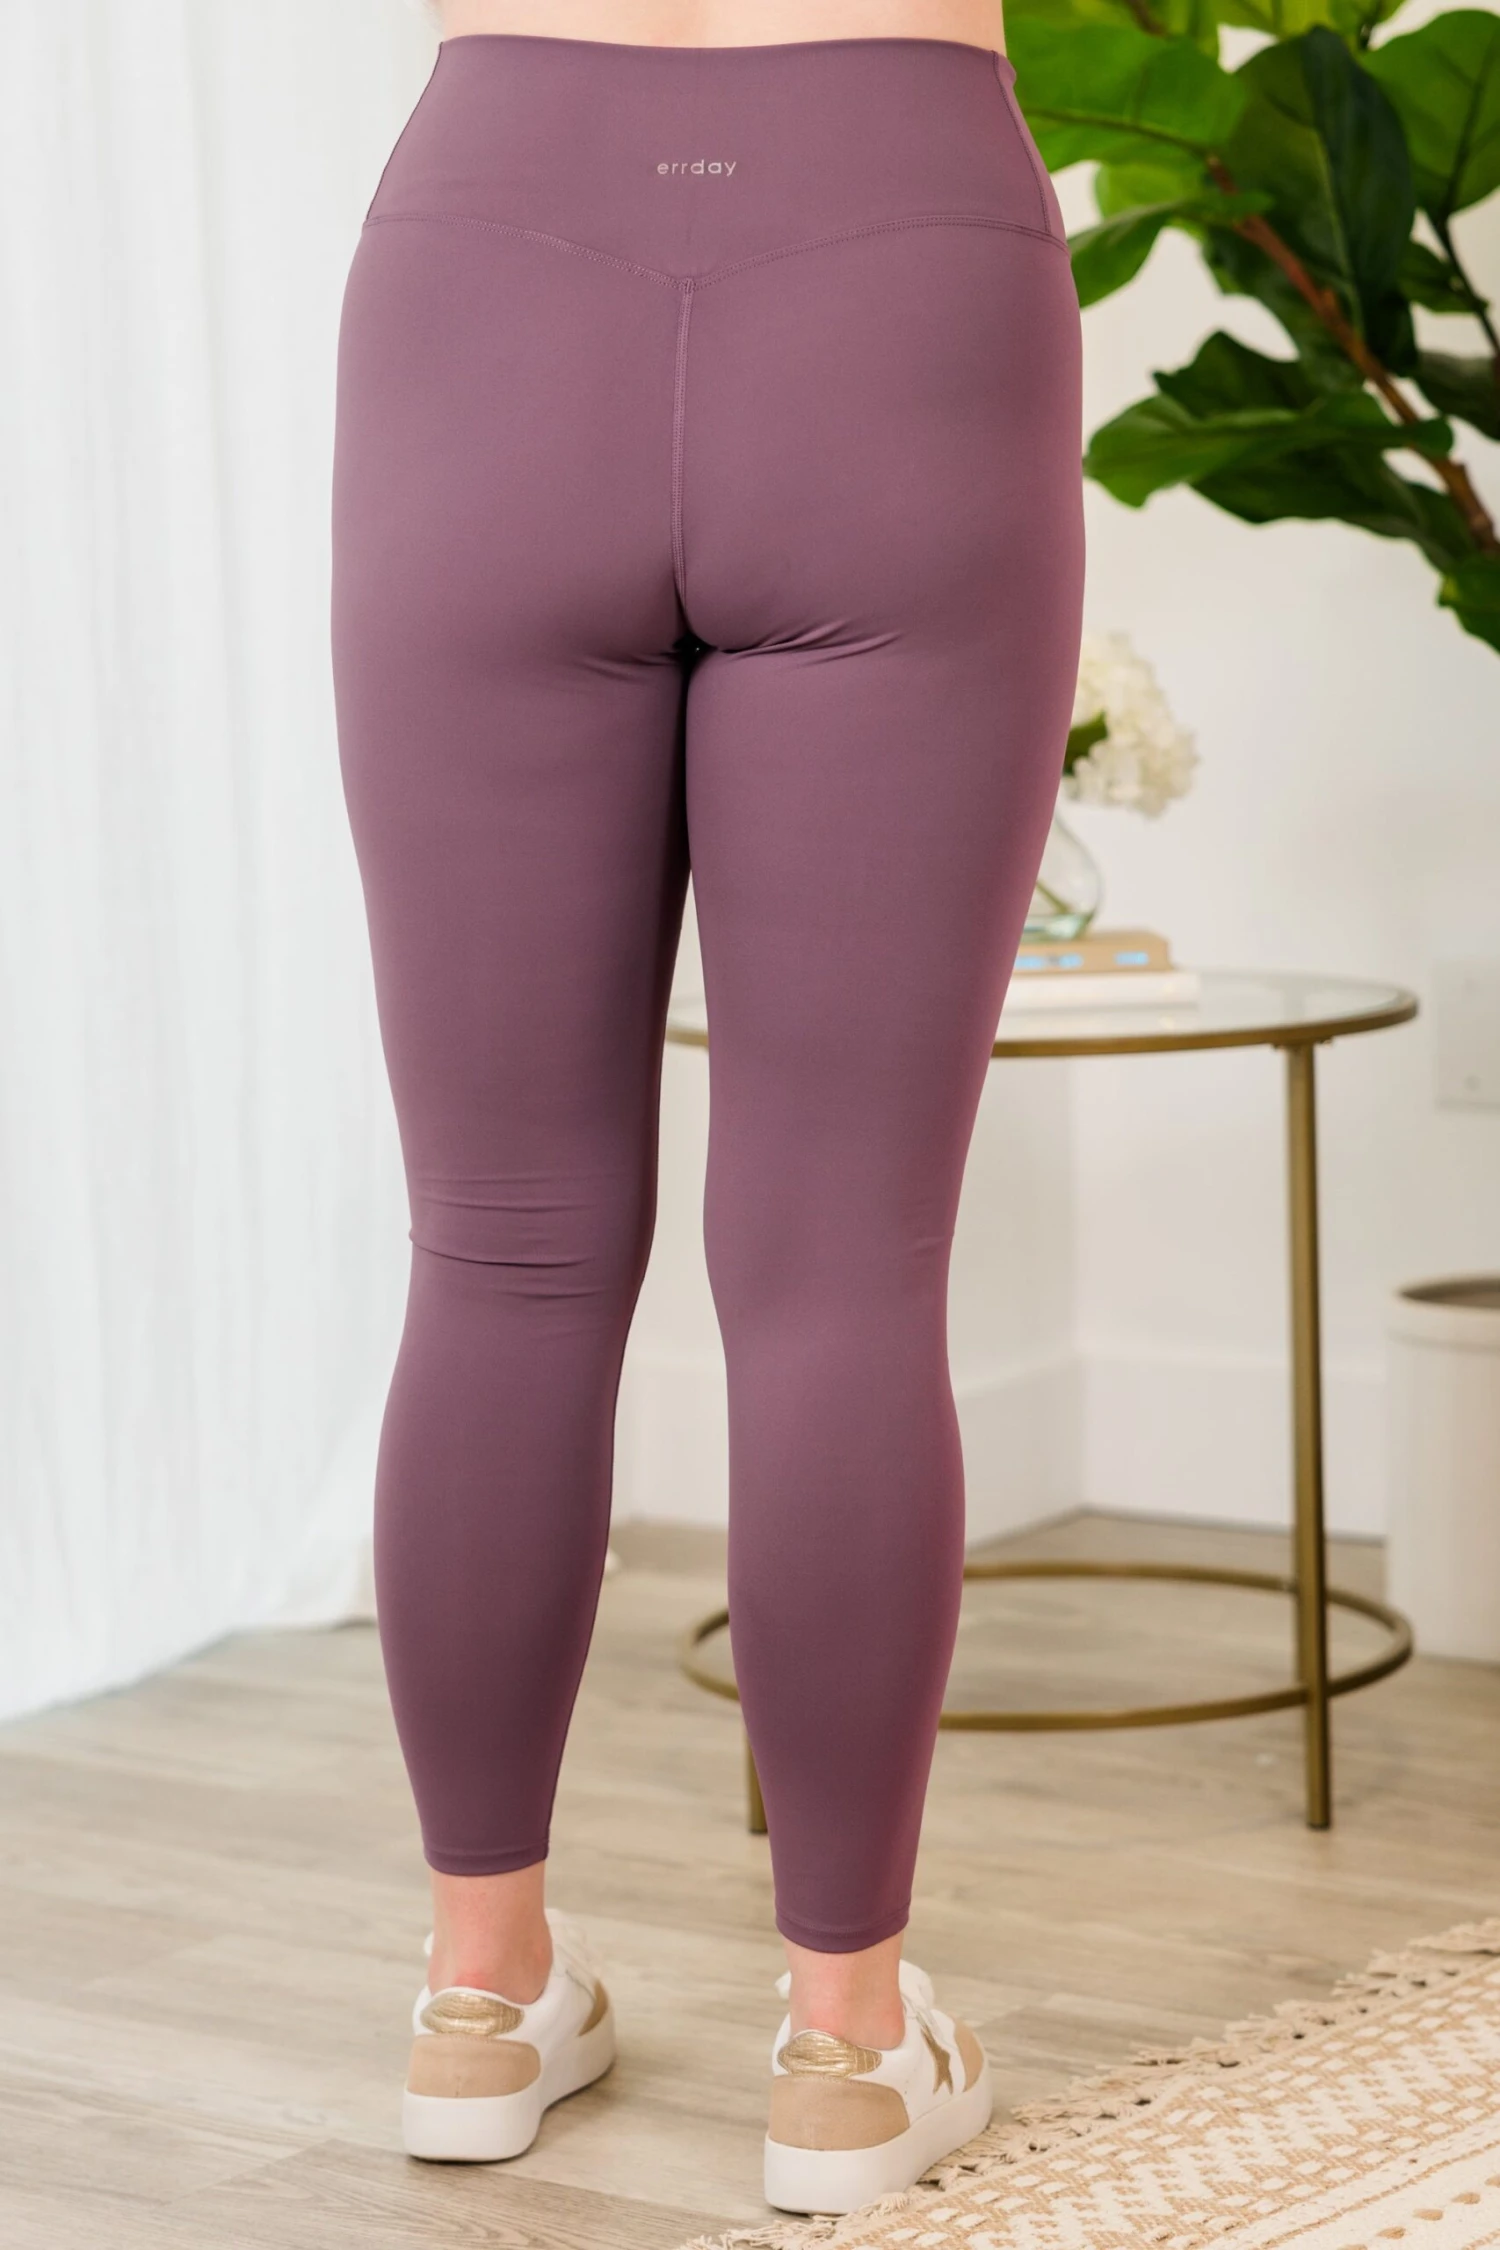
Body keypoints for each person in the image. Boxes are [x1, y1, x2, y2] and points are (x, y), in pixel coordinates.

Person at [330, 0, 1083, 2213]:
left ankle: (479, 1996)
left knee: (499, 1244)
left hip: (492, 265)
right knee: (843, 1260)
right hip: (900, 244)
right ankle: (846, 2043)